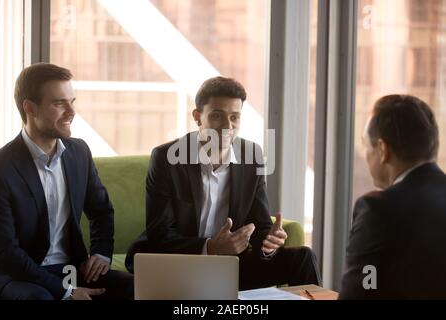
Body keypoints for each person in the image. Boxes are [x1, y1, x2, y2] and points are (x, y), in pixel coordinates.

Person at [126, 76, 320, 289]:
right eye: (217, 116)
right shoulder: (166, 158)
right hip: (182, 262)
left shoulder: (252, 156)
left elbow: (260, 225)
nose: (227, 126)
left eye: (235, 117)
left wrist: (269, 243)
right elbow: (160, 234)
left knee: (304, 257)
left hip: (232, 265)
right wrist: (211, 248)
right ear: (198, 117)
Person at [0, 63, 133, 300]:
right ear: (30, 108)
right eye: (59, 103)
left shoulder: (78, 152)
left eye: (73, 101)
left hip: (71, 268)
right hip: (20, 275)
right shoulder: (2, 167)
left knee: (133, 287)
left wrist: (100, 254)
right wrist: (67, 291)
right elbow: (6, 252)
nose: (71, 111)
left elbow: (101, 211)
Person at [339, 94, 446, 299]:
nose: (365, 154)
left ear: (382, 149)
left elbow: (359, 294)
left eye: (366, 144)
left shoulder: (378, 211)